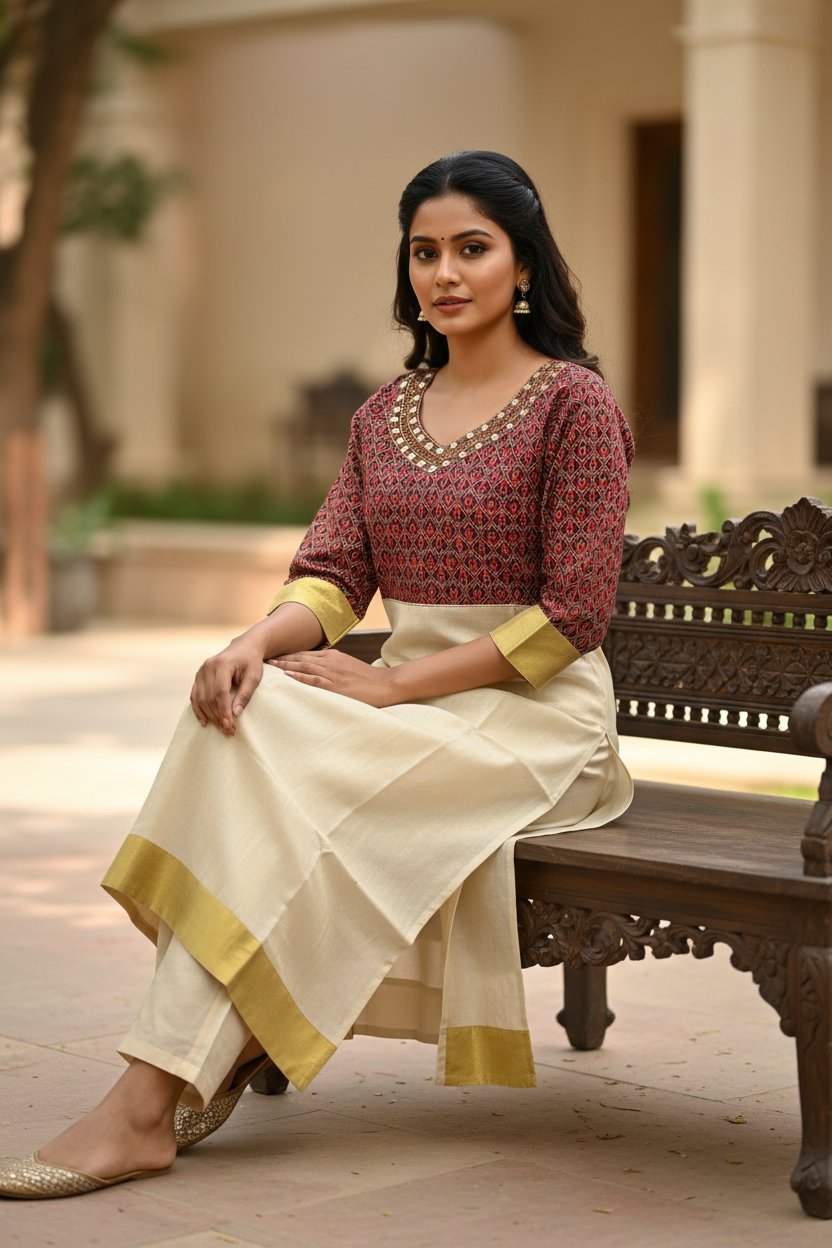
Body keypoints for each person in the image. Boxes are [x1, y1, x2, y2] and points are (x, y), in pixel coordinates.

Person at [0, 150, 634, 1199]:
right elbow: (335, 574)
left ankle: (148, 1100)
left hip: (533, 721)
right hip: (413, 709)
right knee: (236, 710)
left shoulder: (574, 405)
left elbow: (572, 617)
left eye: (472, 248)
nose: (445, 272)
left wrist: (390, 687)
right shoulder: (384, 415)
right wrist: (254, 642)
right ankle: (181, 1071)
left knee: (300, 800)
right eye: (424, 252)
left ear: (523, 265)